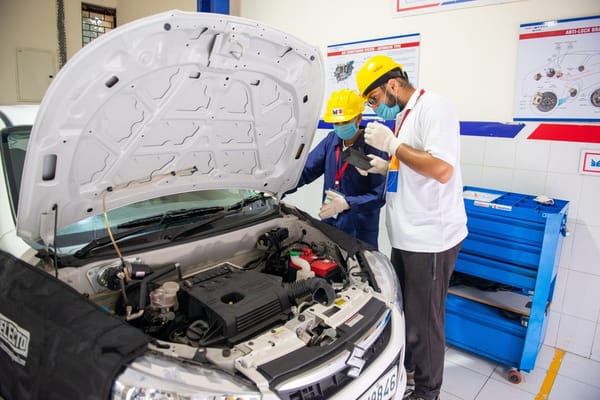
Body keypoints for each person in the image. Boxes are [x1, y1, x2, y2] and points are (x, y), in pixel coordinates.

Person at [355, 55, 468, 400]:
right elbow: (415, 167)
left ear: (391, 85)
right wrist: (384, 166)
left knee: (426, 322)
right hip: (407, 235)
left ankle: (428, 391)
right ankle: (411, 372)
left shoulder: (434, 107)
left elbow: (442, 169)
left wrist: (392, 146)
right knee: (409, 315)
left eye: (374, 99)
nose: (375, 108)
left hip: (431, 238)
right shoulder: (406, 117)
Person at [292, 88, 387, 249]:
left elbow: (378, 196)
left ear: (358, 118)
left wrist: (347, 203)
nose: (340, 127)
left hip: (359, 229)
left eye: (345, 121)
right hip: (331, 224)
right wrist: (280, 187)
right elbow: (306, 171)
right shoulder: (332, 140)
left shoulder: (373, 146)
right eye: (336, 123)